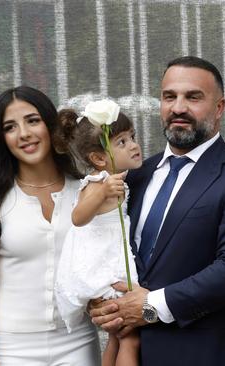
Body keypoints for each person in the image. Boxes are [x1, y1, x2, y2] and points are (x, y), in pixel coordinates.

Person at [89, 56, 225, 365]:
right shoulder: (135, 175)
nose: (178, 108)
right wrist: (100, 301)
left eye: (193, 97)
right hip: (130, 352)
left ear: (220, 107)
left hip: (204, 354)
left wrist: (150, 306)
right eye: (169, 96)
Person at [0, 86, 101, 365]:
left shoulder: (87, 191)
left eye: (32, 120)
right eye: (10, 127)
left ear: (50, 124)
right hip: (11, 346)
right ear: (1, 138)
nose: (24, 134)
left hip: (78, 340)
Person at [54, 100, 141, 366]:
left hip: (109, 262)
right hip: (104, 270)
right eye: (122, 142)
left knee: (117, 336)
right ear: (99, 158)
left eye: (132, 137)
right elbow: (78, 218)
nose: (134, 145)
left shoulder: (113, 179)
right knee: (130, 338)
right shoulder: (98, 182)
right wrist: (102, 192)